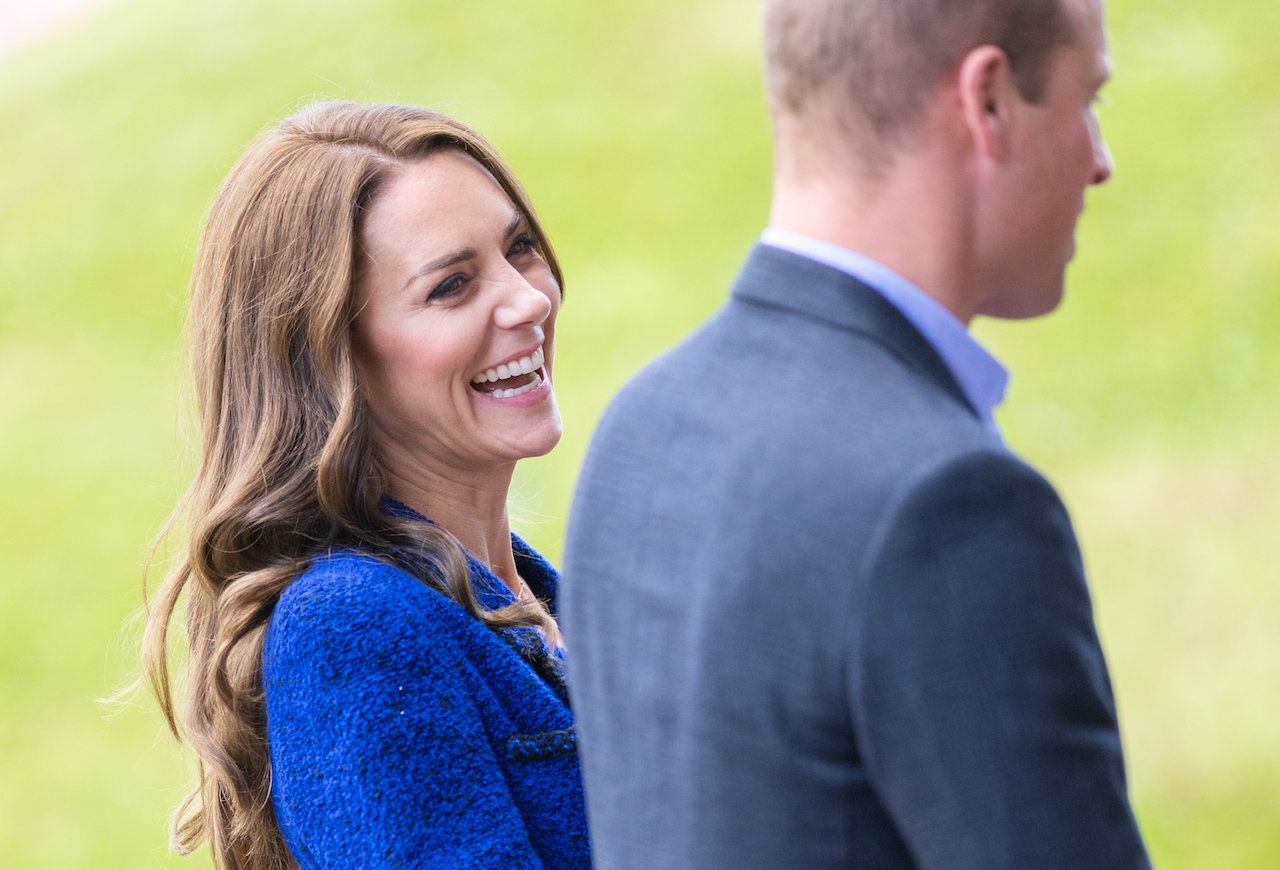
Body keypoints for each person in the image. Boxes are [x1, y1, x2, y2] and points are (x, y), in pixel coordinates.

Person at [562, 0, 1152, 867]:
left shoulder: (640, 429)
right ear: (987, 102)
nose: (1100, 160)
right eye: (1086, 100)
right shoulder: (948, 505)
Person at [143, 101, 590, 869]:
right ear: (329, 364)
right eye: (451, 286)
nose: (529, 299)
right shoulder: (355, 630)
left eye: (519, 248)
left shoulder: (536, 592)